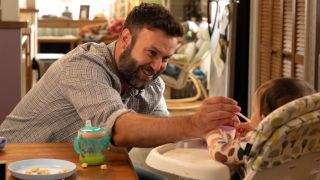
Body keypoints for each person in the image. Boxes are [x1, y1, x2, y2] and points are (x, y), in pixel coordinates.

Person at [0, 3, 240, 179]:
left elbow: (160, 131)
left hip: (76, 166)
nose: (157, 67)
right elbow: (120, 130)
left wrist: (219, 133)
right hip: (18, 166)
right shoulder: (83, 65)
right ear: (125, 39)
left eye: (166, 57)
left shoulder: (152, 83)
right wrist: (194, 123)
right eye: (151, 53)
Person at [206, 78, 315, 165]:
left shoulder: (255, 143)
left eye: (254, 112)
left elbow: (220, 153)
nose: (251, 115)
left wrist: (212, 133)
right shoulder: (306, 137)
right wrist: (254, 129)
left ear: (265, 119)